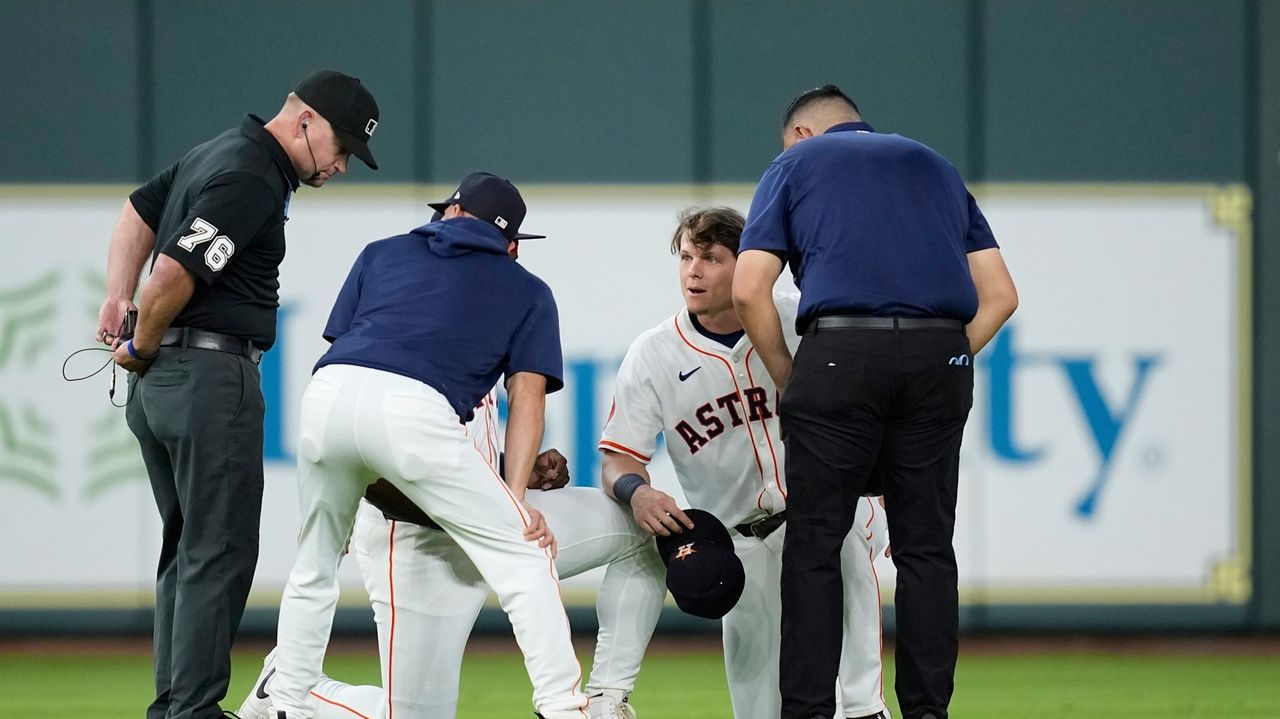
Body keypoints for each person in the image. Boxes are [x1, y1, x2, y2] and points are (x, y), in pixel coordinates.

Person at [95, 69, 379, 719]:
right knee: (217, 551)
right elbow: (172, 272)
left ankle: (174, 704)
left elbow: (139, 209)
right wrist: (140, 335)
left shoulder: (217, 151)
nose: (341, 165)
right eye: (341, 147)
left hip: (163, 384)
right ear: (304, 120)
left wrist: (117, 294)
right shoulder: (254, 175)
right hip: (206, 376)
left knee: (188, 546)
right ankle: (192, 709)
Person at [732, 85, 1019, 719]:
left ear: (803, 135)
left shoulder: (796, 164)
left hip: (839, 353)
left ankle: (806, 713)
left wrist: (789, 377)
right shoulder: (936, 165)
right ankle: (926, 712)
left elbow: (750, 288)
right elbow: (1001, 294)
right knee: (926, 551)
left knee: (813, 544)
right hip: (940, 354)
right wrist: (944, 356)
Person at [268, 172, 590, 719]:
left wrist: (340, 486)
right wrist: (515, 500)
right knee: (524, 556)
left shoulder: (381, 252)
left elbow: (352, 350)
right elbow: (527, 398)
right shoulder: (527, 288)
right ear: (510, 245)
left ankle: (286, 694)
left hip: (327, 395)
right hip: (411, 411)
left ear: (448, 214)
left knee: (316, 558)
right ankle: (566, 708)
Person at [600, 207, 892, 719]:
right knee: (759, 707)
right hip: (739, 543)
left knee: (853, 685)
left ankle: (866, 709)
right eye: (687, 257)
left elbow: (872, 404)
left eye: (711, 258)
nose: (693, 270)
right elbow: (619, 457)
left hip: (823, 518)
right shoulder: (653, 355)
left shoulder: (802, 319)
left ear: (748, 266)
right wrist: (637, 491)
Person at [237, 389, 665, 719]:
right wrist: (339, 498)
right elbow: (365, 434)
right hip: (415, 539)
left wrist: (509, 470)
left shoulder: (502, 296)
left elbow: (452, 445)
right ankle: (291, 688)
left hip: (494, 515)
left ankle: (606, 701)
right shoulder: (402, 304)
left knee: (643, 528)